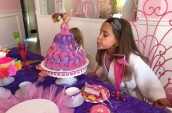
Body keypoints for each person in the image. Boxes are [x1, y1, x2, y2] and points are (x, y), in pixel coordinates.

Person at [88, 17, 171, 107]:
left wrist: (158, 97)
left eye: (105, 35)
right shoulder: (105, 54)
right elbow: (107, 69)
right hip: (112, 97)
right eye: (100, 32)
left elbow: (148, 78)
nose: (99, 37)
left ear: (118, 42)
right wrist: (97, 74)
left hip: (130, 101)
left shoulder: (133, 60)